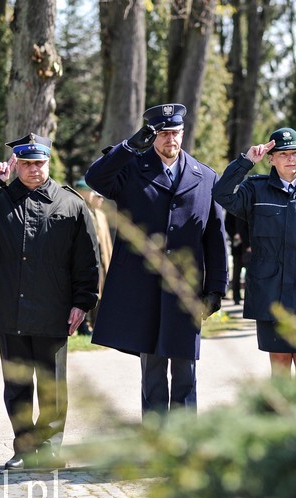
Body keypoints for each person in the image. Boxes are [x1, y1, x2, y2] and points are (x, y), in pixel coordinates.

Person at [0, 133, 99, 470]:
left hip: (54, 309)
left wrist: (83, 301)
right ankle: (24, 448)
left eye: (39, 163)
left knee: (52, 385)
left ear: (48, 162)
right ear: (17, 164)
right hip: (10, 308)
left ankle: (49, 449)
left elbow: (87, 259)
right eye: (27, 164)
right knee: (16, 385)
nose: (34, 169)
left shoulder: (70, 203)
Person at [84, 103, 227, 415]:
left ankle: (185, 442)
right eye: (163, 134)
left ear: (183, 133)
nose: (170, 140)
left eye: (174, 133)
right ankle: (156, 442)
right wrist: (128, 148)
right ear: (152, 136)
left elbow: (215, 238)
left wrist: (216, 288)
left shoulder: (205, 178)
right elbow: (95, 178)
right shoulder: (131, 170)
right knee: (153, 372)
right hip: (144, 289)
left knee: (186, 373)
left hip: (186, 292)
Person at [213, 128, 296, 378]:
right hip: (271, 291)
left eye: (295, 153)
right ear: (271, 158)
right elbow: (221, 194)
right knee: (280, 368)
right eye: (283, 154)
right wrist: (246, 162)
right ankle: (280, 417)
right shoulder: (255, 190)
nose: (290, 159)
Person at [74, 179, 114, 334]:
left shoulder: (99, 214)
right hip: (86, 261)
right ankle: (85, 326)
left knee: (100, 294)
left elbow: (105, 241)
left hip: (102, 260)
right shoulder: (79, 210)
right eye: (94, 194)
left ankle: (96, 325)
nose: (99, 199)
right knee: (87, 293)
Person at [224, 212, 250, 305]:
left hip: (248, 245)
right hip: (238, 245)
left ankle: (248, 296)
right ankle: (236, 296)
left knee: (249, 273)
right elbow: (227, 224)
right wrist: (234, 234)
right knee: (236, 272)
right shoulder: (231, 208)